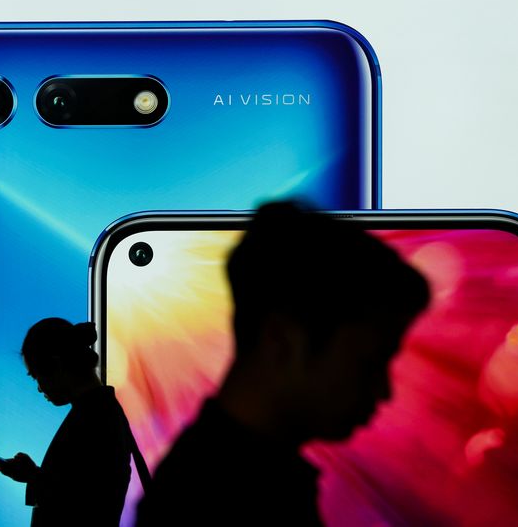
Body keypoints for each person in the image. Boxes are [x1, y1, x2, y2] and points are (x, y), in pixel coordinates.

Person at [136, 201, 431, 527]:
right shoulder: (214, 501)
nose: (384, 392)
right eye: (369, 363)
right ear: (281, 341)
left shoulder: (217, 481)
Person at [0, 319, 134, 526]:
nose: (39, 388)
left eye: (36, 376)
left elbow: (85, 504)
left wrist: (33, 477)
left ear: (56, 364)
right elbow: (80, 487)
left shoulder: (94, 417)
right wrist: (34, 476)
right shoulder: (99, 411)